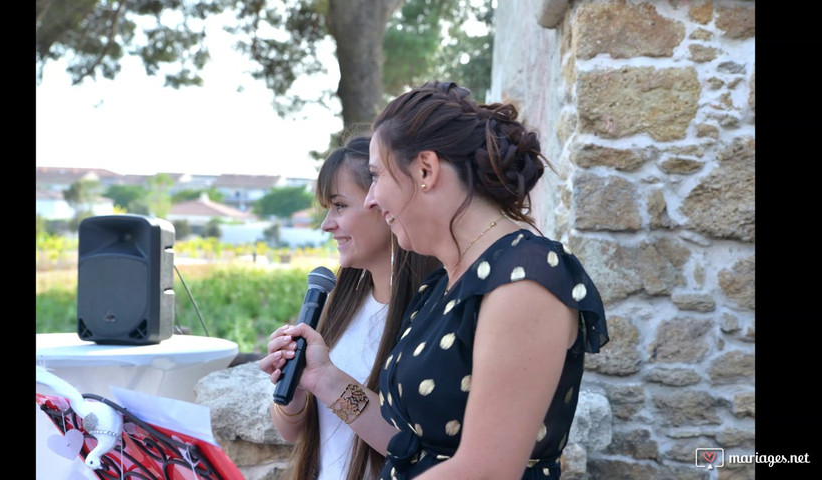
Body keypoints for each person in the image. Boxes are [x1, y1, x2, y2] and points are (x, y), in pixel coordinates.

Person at [265, 81, 609, 480]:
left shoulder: (527, 276)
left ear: (425, 170)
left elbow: (487, 470)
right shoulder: (441, 285)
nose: (373, 199)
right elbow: (408, 446)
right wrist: (324, 379)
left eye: (377, 177)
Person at [258, 133, 439, 480]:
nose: (327, 224)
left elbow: (415, 448)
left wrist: (329, 381)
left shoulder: (431, 312)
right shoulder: (339, 300)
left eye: (340, 205)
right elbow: (292, 431)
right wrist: (293, 392)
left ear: (385, 204)